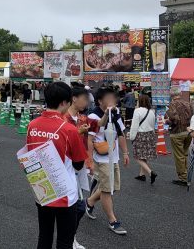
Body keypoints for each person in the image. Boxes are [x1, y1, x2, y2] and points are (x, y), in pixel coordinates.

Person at [26, 82, 87, 249]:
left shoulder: (33, 125)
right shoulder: (69, 129)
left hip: (42, 188)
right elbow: (79, 163)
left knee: (44, 237)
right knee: (64, 241)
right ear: (64, 103)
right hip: (65, 193)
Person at [86, 87, 129, 235]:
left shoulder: (116, 113)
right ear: (99, 101)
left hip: (114, 157)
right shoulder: (93, 116)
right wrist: (89, 160)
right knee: (107, 190)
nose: (113, 101)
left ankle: (90, 201)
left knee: (113, 188)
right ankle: (113, 221)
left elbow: (121, 133)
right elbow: (90, 139)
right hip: (102, 158)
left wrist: (125, 153)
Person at [63, 86, 97, 249]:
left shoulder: (83, 118)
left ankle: (70, 238)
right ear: (74, 98)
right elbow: (62, 140)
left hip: (79, 166)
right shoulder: (63, 118)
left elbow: (98, 126)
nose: (86, 102)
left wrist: (109, 110)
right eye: (84, 98)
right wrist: (78, 132)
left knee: (77, 207)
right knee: (78, 206)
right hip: (65, 167)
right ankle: (68, 239)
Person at [165, 86, 194, 186]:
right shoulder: (188, 103)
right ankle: (186, 174)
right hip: (188, 131)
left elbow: (174, 120)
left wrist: (167, 121)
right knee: (185, 154)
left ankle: (183, 178)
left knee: (179, 156)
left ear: (171, 95)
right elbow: (193, 117)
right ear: (180, 94)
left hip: (177, 132)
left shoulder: (171, 105)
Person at [130, 94, 157, 183]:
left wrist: (132, 137)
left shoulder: (137, 111)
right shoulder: (152, 111)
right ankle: (142, 175)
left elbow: (134, 126)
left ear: (140, 101)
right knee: (144, 155)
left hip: (140, 135)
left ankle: (150, 172)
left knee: (137, 156)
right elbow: (153, 125)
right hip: (150, 134)